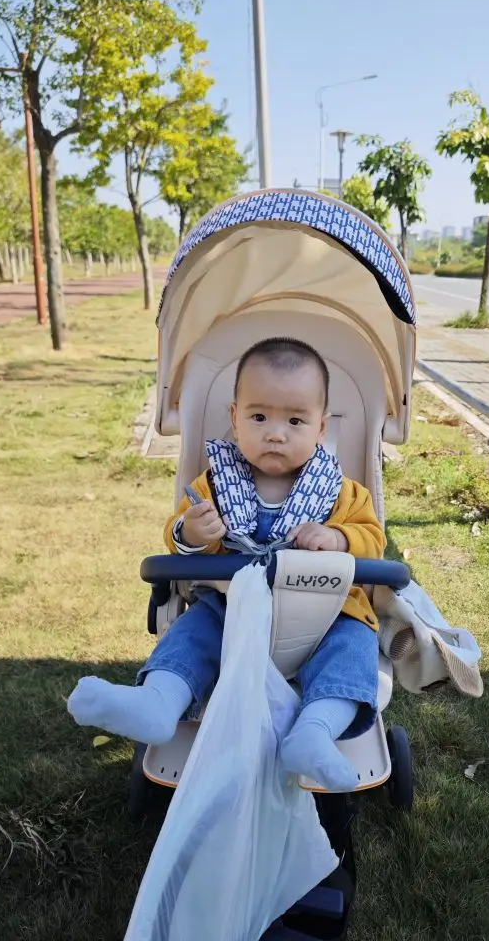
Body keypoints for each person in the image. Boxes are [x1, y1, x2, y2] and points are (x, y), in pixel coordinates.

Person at [68, 337, 385, 792]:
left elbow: (373, 540)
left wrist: (338, 538)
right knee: (193, 633)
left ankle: (314, 732)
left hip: (326, 616)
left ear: (321, 428)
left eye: (295, 421)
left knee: (353, 647)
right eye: (259, 417)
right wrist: (192, 533)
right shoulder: (214, 486)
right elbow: (177, 535)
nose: (276, 433)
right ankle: (157, 704)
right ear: (235, 418)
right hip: (230, 609)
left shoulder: (344, 493)